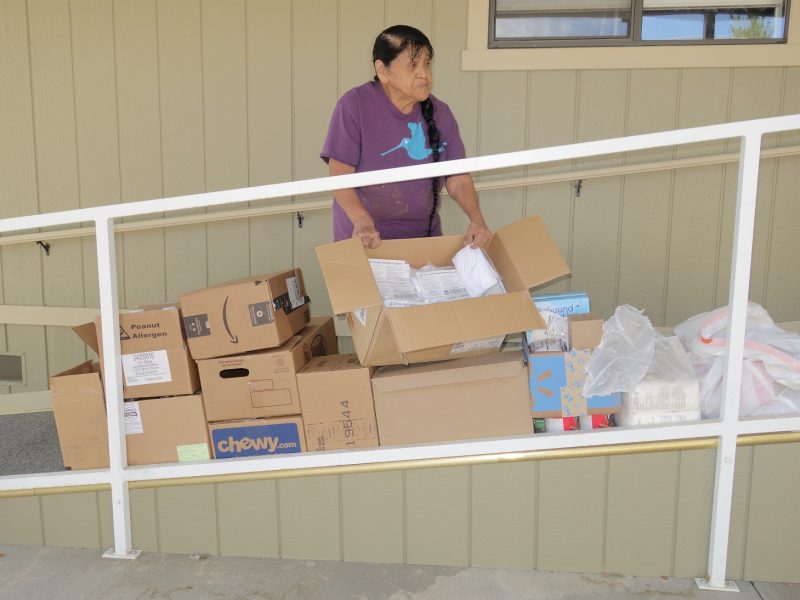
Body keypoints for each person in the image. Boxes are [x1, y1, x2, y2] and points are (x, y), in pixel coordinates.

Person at [320, 24, 491, 249]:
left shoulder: (441, 113)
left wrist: (477, 221)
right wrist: (363, 223)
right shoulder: (354, 106)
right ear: (383, 71)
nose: (424, 74)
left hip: (422, 244)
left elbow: (458, 179)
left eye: (427, 64)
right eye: (413, 65)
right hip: (363, 242)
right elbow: (339, 177)